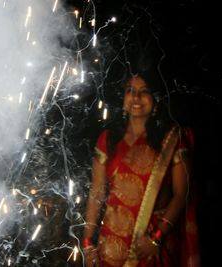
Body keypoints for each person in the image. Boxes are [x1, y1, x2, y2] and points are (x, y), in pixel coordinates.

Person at [81, 69, 200, 267]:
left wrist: (157, 237)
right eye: (130, 90)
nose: (136, 97)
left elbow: (182, 193)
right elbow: (96, 192)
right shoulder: (108, 139)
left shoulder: (171, 139)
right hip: (110, 243)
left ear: (155, 99)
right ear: (123, 98)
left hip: (150, 243)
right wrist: (87, 241)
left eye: (144, 91)